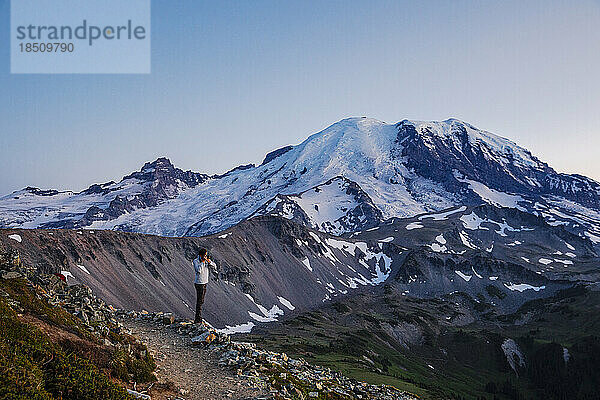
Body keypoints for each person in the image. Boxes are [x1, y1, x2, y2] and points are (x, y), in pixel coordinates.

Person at [192, 248, 217, 324]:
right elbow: (198, 271)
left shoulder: (206, 261)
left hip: (205, 282)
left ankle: (198, 317)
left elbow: (214, 267)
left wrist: (209, 262)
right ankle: (198, 319)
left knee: (201, 301)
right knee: (199, 301)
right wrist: (203, 262)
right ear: (201, 255)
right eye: (205, 255)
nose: (206, 257)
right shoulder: (196, 261)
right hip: (199, 283)